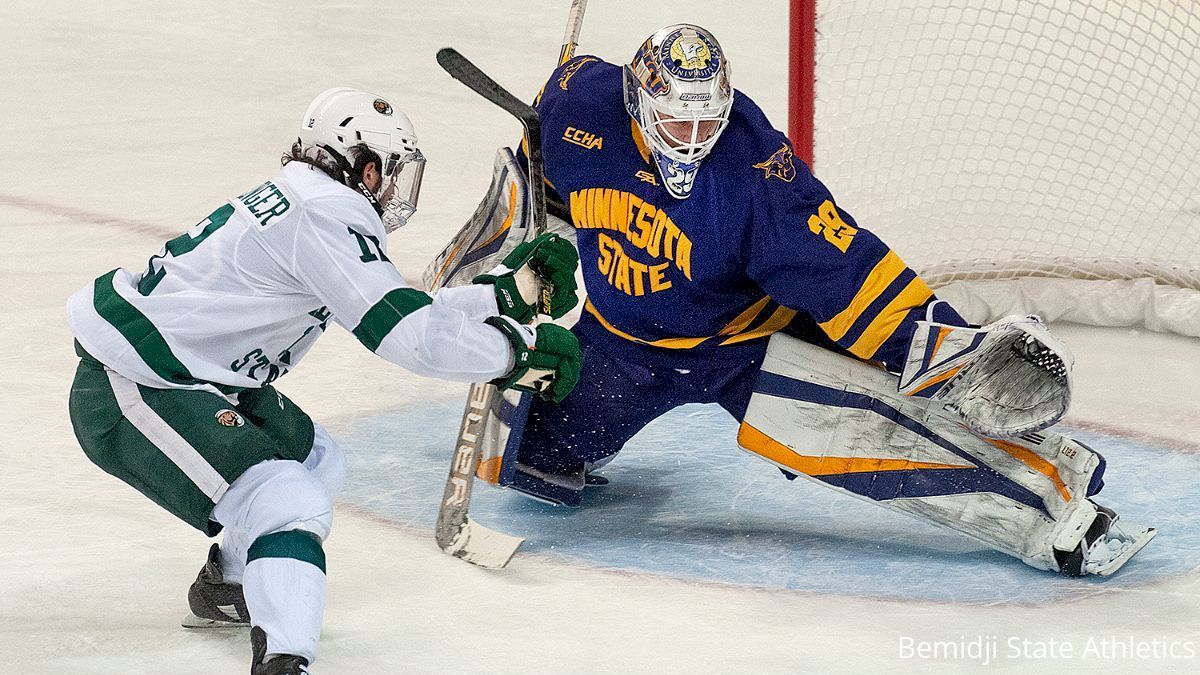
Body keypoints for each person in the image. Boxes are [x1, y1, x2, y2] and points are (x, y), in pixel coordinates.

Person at [472, 24, 1153, 576]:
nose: (692, 140)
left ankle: (1059, 511)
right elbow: (546, 169)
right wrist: (543, 213)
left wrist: (947, 346)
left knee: (879, 442)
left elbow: (850, 274)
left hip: (744, 347)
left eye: (706, 122)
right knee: (528, 454)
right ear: (638, 104)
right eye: (676, 124)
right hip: (622, 346)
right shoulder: (577, 101)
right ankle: (574, 434)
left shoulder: (757, 173)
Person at [66, 87, 580, 674]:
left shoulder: (307, 200)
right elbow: (405, 336)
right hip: (136, 387)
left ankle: (229, 587)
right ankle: (287, 661)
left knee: (316, 462)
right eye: (392, 173)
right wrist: (515, 353)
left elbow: (398, 307)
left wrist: (504, 295)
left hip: (195, 375)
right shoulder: (324, 214)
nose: (394, 189)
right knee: (289, 501)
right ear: (365, 166)